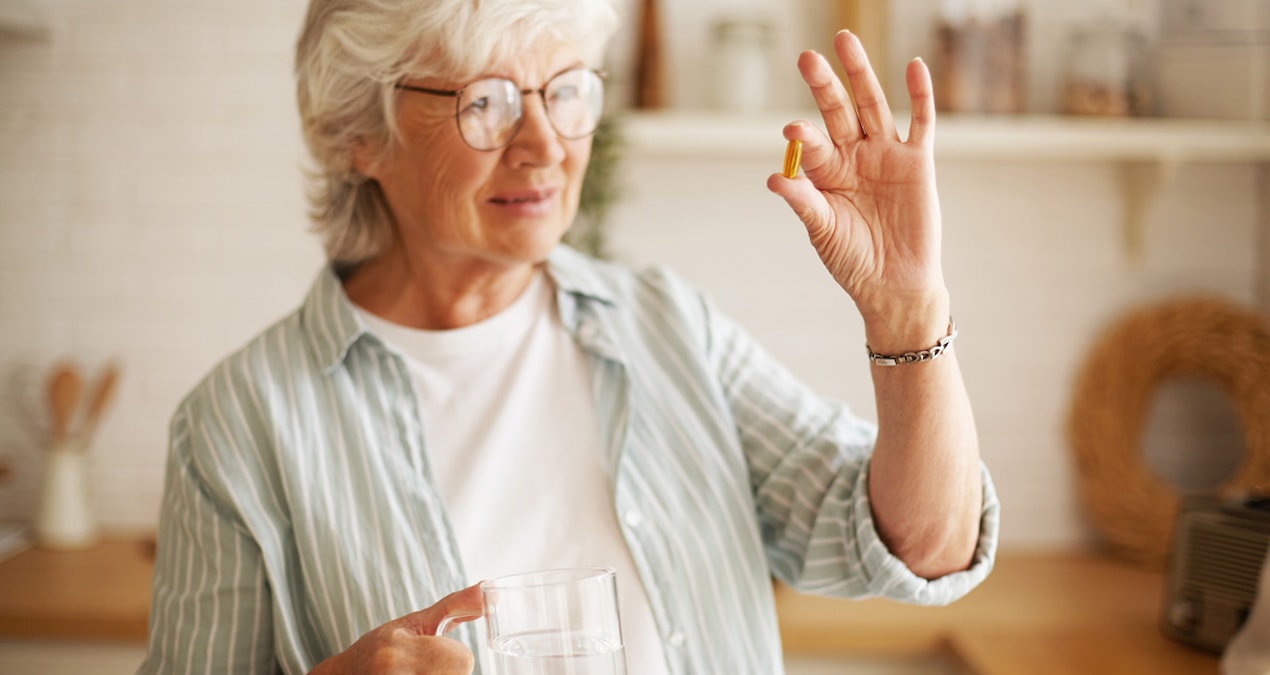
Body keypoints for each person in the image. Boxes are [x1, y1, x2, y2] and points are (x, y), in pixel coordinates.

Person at [137, 0, 1000, 673]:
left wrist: (909, 310)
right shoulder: (237, 424)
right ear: (357, 134)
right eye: (485, 102)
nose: (545, 146)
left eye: (567, 90)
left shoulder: (667, 327)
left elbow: (929, 544)